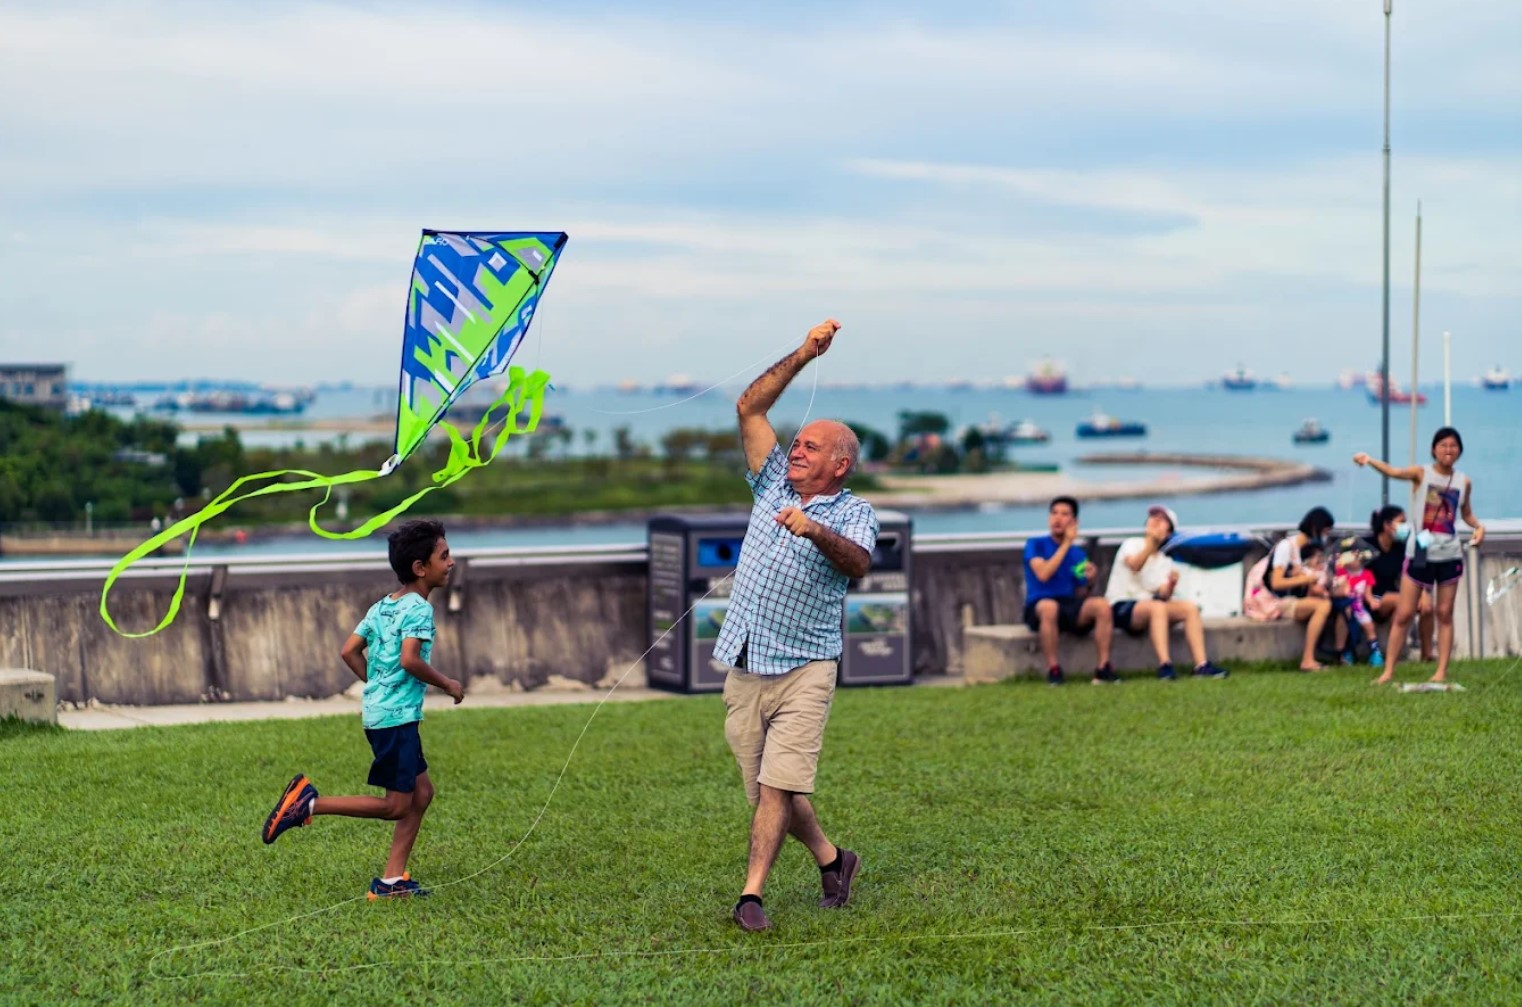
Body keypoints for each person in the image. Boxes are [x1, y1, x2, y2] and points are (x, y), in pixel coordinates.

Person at [716, 319, 880, 933]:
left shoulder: (855, 511)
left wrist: (813, 529)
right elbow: (749, 406)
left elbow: (858, 564)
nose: (798, 449)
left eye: (812, 446)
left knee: (779, 784)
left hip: (808, 666)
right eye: (799, 443)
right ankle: (835, 861)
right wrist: (806, 354)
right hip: (746, 660)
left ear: (839, 465)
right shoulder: (770, 483)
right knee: (767, 790)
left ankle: (751, 895)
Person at [261, 519, 465, 899]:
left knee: (422, 795)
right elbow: (409, 660)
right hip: (396, 719)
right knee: (395, 805)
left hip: (381, 715)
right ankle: (310, 803)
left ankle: (391, 881)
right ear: (421, 568)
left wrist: (376, 686)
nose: (451, 562)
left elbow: (348, 651)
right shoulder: (419, 609)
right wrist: (448, 684)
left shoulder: (382, 606)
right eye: (444, 555)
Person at [1354, 426, 1486, 685]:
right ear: (1434, 449)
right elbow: (1393, 472)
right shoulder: (1421, 473)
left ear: (1459, 450)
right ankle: (1388, 671)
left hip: (1449, 555)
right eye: (1443, 445)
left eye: (1453, 446)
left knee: (1444, 613)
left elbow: (1467, 513)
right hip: (1420, 554)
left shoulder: (1463, 481)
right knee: (1404, 614)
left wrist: (1479, 527)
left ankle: (1441, 671)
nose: (1448, 450)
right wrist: (1369, 461)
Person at [1104, 505, 1229, 680]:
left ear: (1169, 532)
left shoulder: (1165, 561)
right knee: (1158, 608)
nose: (1155, 520)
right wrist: (1151, 543)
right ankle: (1165, 665)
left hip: (1148, 608)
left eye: (1162, 519)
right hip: (1121, 605)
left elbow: (1162, 594)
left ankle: (1201, 665)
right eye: (1153, 517)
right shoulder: (1131, 544)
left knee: (1189, 608)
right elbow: (1135, 565)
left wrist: (1170, 585)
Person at [1023, 496, 1115, 685]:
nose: (1058, 518)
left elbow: (1081, 593)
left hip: (1068, 605)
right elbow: (1043, 574)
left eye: (1065, 515)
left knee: (1102, 606)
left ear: (1074, 522)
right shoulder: (1035, 544)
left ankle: (1103, 668)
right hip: (1040, 604)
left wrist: (1090, 581)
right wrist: (1066, 544)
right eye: (1054, 513)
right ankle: (1054, 669)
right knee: (1049, 608)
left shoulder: (1078, 554)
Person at [1243, 506, 1335, 671]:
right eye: (1326, 531)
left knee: (1323, 602)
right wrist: (1306, 578)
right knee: (1323, 606)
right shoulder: (1286, 547)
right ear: (1316, 529)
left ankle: (1312, 657)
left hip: (1280, 599)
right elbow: (1277, 582)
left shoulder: (1295, 549)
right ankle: (1308, 659)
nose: (1326, 536)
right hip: (1271, 601)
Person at [1363, 505, 1435, 660]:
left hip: (1394, 597)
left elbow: (1415, 571)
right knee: (1403, 601)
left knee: (1427, 607)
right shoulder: (1368, 546)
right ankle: (1392, 657)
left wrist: (1422, 594)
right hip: (1373, 598)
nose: (1405, 527)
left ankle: (1426, 654)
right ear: (1387, 525)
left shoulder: (1401, 548)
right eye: (1401, 522)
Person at [1331, 545, 1382, 667]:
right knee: (1345, 621)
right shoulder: (1341, 573)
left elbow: (1368, 594)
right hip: (1345, 606)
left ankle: (1375, 652)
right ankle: (1344, 653)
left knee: (1369, 625)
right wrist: (1343, 587)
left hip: (1359, 607)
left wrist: (1372, 602)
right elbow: (1336, 592)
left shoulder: (1367, 574)